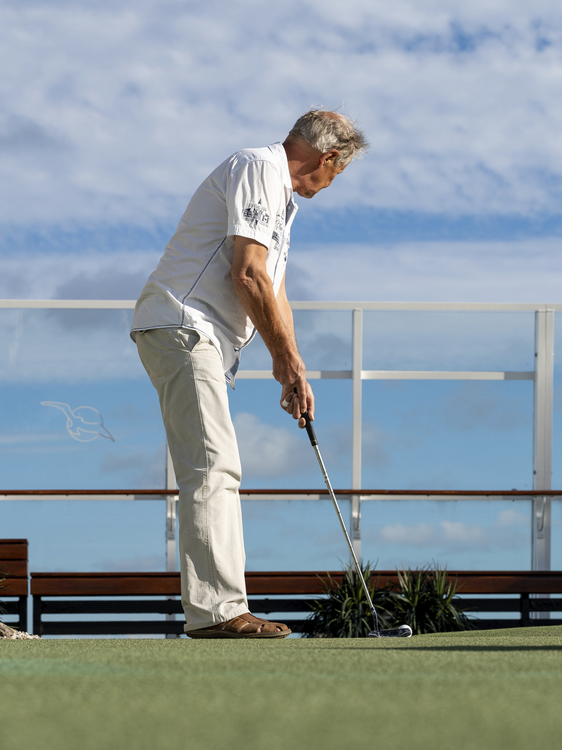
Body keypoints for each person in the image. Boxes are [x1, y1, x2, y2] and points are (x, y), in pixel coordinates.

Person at [131, 110, 368, 638]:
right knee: (214, 464)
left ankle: (219, 608)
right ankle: (218, 613)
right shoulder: (259, 167)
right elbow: (247, 272)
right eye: (338, 173)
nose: (331, 185)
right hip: (183, 324)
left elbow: (274, 289)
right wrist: (283, 362)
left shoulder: (283, 202)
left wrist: (294, 368)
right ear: (329, 157)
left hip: (200, 336)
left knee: (216, 463)